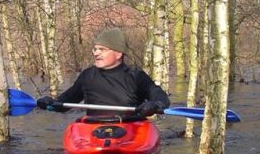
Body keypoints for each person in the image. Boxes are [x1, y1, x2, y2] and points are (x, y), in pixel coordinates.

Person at [36, 28, 170, 118]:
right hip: (94, 128)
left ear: (118, 53)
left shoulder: (135, 75)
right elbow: (66, 101)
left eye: (102, 49)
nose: (96, 52)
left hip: (129, 127)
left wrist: (156, 104)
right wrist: (50, 103)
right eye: (95, 49)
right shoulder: (88, 75)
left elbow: (160, 96)